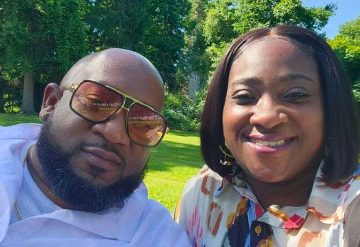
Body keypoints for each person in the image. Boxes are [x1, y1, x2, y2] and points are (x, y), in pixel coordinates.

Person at [175, 25, 360, 246]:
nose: (266, 117)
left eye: (295, 95)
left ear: (332, 108)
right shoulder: (204, 190)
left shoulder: (352, 211)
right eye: (244, 97)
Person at [0, 48, 191, 246]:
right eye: (97, 103)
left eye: (143, 123)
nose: (116, 134)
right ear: (52, 102)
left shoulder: (157, 238)